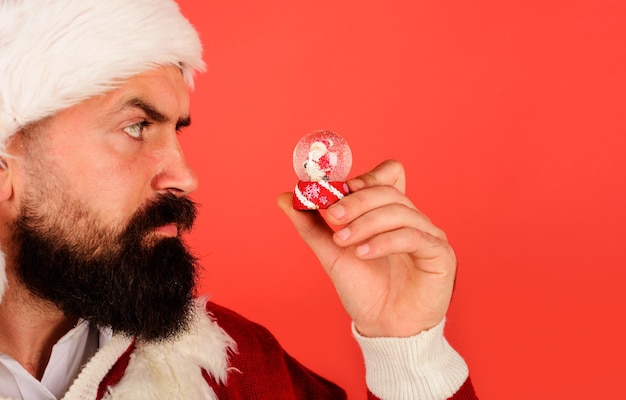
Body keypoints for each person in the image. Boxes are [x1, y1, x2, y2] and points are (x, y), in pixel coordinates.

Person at [0, 0, 478, 399]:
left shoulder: (234, 366)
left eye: (175, 130)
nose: (184, 177)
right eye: (137, 126)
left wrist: (406, 349)